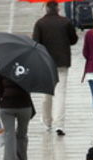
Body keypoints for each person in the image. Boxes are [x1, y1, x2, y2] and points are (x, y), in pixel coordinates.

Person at [33, 1, 78, 136]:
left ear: (46, 8)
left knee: (47, 94)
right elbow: (74, 40)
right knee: (60, 94)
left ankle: (47, 122)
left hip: (46, 63)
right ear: (58, 8)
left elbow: (35, 43)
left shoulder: (40, 23)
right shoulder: (65, 22)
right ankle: (60, 124)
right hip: (62, 63)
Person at [0, 71, 34, 160]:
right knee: (22, 135)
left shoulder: (1, 68)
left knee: (9, 136)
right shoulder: (28, 65)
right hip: (24, 105)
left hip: (7, 106)